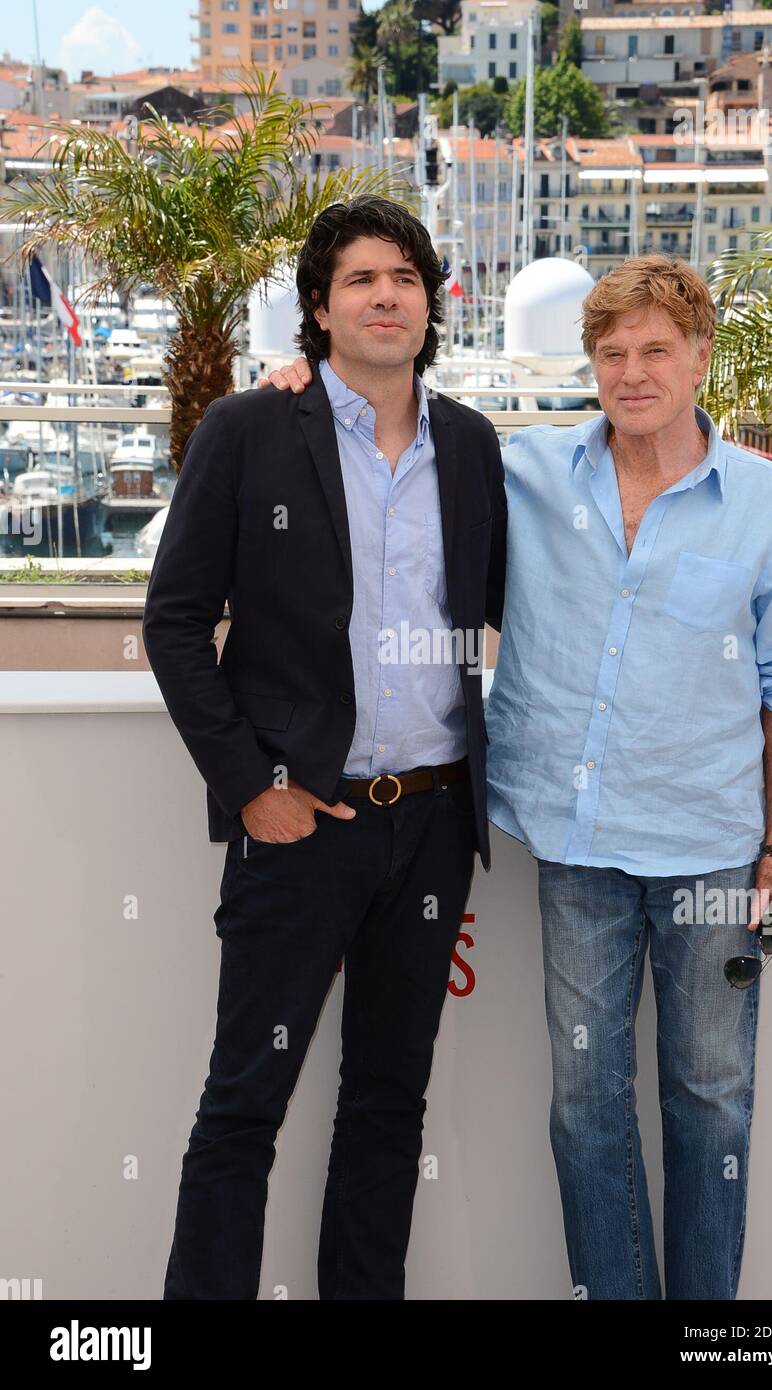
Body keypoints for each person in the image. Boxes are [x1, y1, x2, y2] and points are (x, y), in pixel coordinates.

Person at [259, 254, 772, 1300]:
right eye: (611, 353)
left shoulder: (769, 508)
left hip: (712, 848)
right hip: (575, 849)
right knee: (583, 1105)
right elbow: (393, 428)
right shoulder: (523, 474)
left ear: (700, 358)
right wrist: (311, 377)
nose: (631, 372)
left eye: (655, 349)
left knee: (711, 1102)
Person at [142, 195, 506, 1300]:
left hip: (433, 824)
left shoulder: (473, 445)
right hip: (302, 826)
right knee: (244, 1103)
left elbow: (511, 599)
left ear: (433, 303)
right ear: (319, 306)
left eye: (405, 275)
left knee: (390, 1105)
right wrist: (252, 787)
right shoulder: (252, 429)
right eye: (360, 278)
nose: (386, 293)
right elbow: (174, 621)